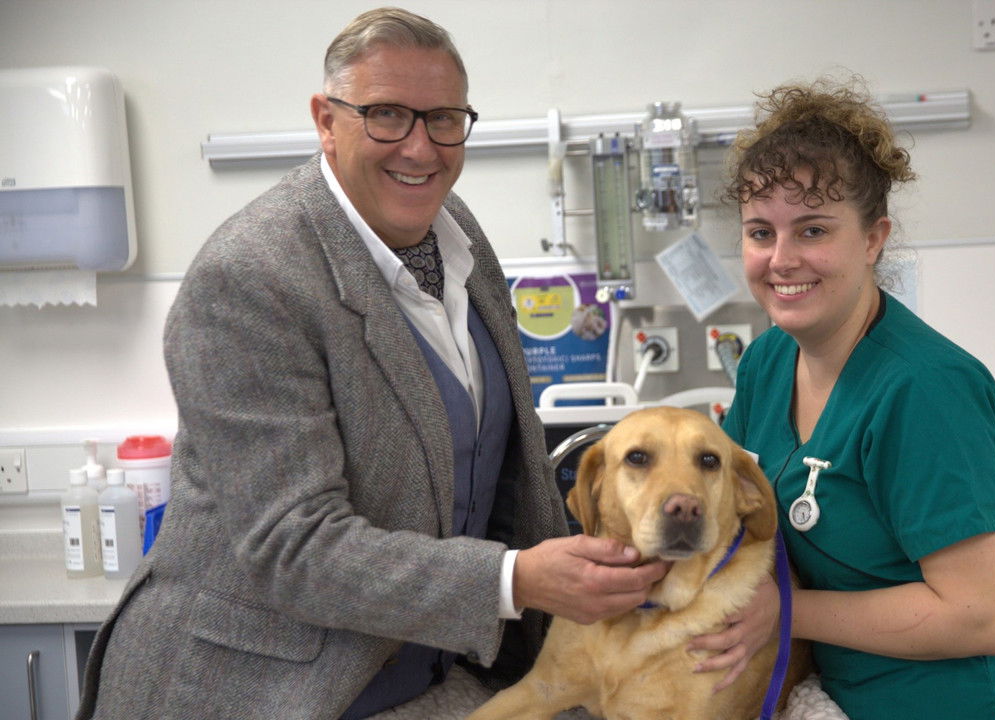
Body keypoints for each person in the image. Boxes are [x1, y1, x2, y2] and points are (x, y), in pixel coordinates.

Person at [75, 8, 667, 719]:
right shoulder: (250, 278)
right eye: (385, 114)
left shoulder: (456, 235)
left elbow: (505, 469)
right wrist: (516, 580)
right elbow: (291, 547)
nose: (420, 147)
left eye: (443, 118)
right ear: (326, 120)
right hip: (264, 690)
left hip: (428, 677)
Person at [691, 77, 995, 719]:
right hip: (850, 698)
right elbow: (742, 521)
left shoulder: (925, 388)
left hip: (978, 704)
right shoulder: (767, 364)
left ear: (873, 238)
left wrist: (787, 612)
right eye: (761, 233)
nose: (782, 259)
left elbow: (977, 617)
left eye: (813, 231)